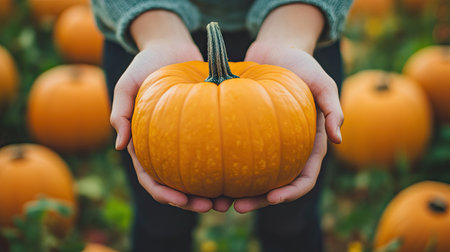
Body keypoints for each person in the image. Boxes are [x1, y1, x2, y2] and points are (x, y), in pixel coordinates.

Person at [91, 0, 351, 251]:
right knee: (161, 223)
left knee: (292, 222)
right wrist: (155, 29)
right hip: (150, 38)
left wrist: (297, 21)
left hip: (295, 38)